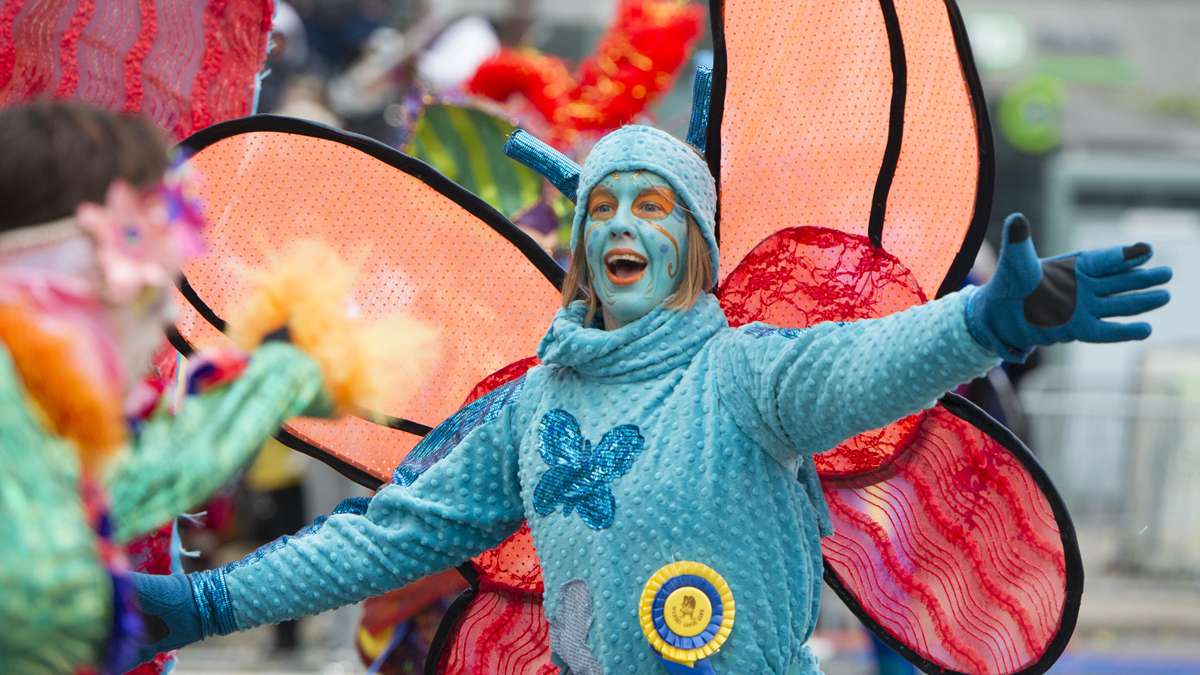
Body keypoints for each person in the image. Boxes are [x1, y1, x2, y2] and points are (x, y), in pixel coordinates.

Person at [132, 124, 1171, 674]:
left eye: (656, 207)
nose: (626, 223)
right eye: (606, 206)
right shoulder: (535, 409)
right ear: (583, 243)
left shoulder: (744, 373)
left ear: (694, 250)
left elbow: (866, 365)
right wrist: (208, 604)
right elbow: (385, 540)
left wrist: (985, 323)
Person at [0, 101, 428, 674]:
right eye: (148, 296)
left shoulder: (34, 420)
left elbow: (109, 491)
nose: (157, 327)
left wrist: (274, 379)